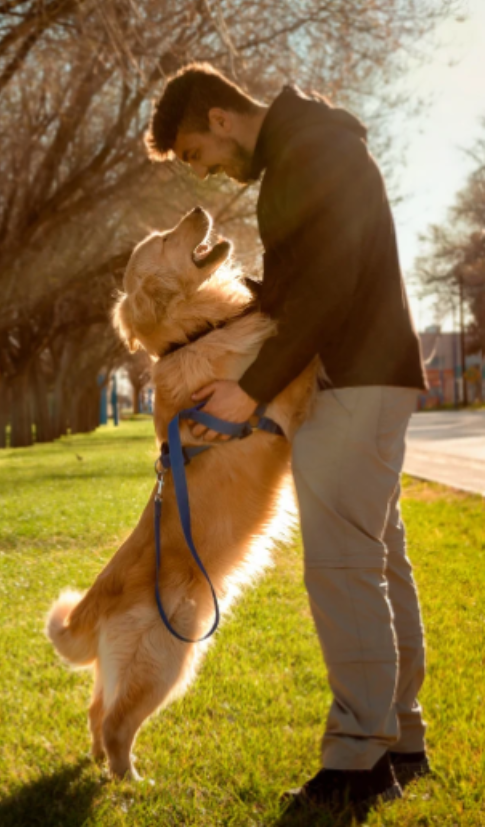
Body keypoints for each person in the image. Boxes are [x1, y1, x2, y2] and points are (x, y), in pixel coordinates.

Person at [145, 63, 431, 812]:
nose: (206, 174)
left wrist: (249, 386)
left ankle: (356, 759)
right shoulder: (306, 150)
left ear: (217, 118)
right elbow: (296, 288)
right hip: (361, 373)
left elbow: (329, 284)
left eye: (195, 156)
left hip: (352, 374)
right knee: (374, 558)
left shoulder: (309, 151)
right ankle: (400, 738)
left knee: (341, 566)